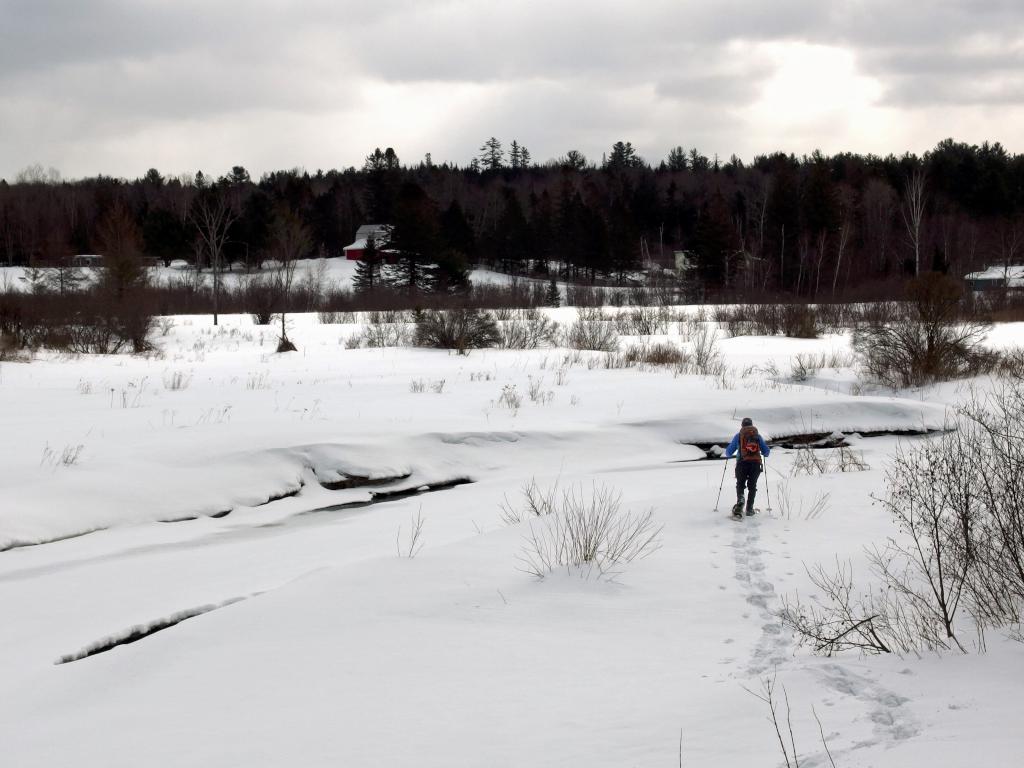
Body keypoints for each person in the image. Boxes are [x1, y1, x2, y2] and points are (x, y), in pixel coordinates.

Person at [724, 417, 770, 516]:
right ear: (751, 425)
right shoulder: (757, 436)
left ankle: (740, 502)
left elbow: (728, 452)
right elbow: (766, 452)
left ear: (742, 426)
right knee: (752, 486)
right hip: (755, 464)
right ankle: (749, 509)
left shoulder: (739, 436)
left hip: (742, 464)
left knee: (740, 485)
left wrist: (731, 453)